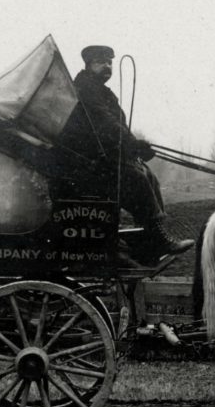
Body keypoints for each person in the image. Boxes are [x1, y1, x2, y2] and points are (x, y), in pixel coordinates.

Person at [73, 45, 194, 263]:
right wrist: (132, 144)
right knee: (137, 179)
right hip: (88, 164)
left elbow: (116, 127)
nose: (107, 66)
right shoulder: (86, 88)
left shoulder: (101, 90)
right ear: (89, 64)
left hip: (103, 159)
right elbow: (105, 124)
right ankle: (157, 239)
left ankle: (151, 239)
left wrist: (135, 147)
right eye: (102, 62)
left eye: (110, 62)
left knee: (147, 175)